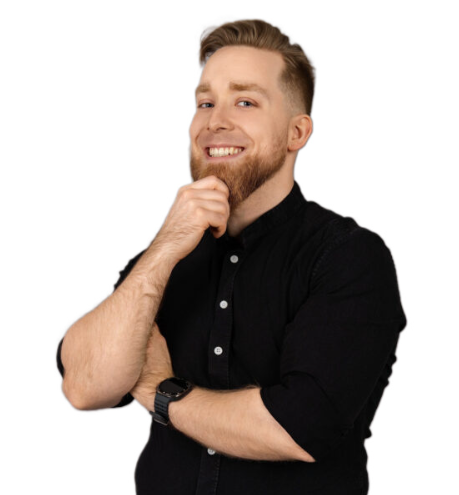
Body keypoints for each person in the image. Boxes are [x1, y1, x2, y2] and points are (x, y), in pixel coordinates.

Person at [56, 19, 407, 495]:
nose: (214, 121)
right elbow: (83, 385)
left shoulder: (347, 258)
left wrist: (160, 392)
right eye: (205, 103)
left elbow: (297, 428)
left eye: (245, 102)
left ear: (296, 132)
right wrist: (164, 248)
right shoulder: (163, 260)